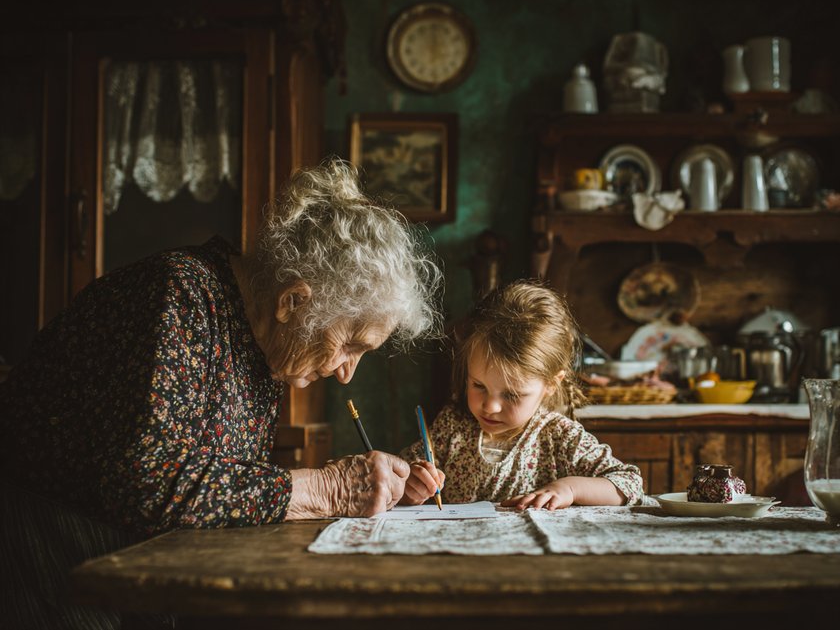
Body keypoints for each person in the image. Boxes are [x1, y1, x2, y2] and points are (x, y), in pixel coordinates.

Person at [0, 158, 442, 628]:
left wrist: (345, 488)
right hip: (53, 556)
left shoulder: (261, 339)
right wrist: (323, 488)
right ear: (293, 301)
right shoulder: (179, 296)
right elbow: (148, 483)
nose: (347, 374)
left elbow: (219, 486)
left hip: (137, 566)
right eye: (350, 345)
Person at [399, 280, 644, 510]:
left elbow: (629, 483)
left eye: (512, 395)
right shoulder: (452, 426)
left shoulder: (558, 437)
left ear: (550, 383)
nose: (490, 406)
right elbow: (399, 479)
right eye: (479, 386)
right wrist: (411, 485)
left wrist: (569, 489)